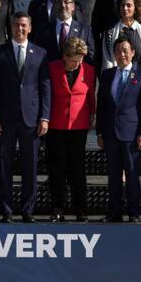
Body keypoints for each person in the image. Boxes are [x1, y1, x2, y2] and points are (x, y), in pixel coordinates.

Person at [0, 12, 49, 222]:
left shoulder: (40, 53)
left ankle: (28, 210)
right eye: (15, 25)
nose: (19, 29)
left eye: (23, 25)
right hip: (5, 119)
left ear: (30, 28)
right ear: (10, 28)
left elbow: (44, 87)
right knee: (4, 166)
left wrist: (45, 117)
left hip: (31, 119)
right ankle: (6, 209)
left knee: (30, 166)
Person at [96, 37, 141, 223]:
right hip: (110, 133)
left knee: (131, 173)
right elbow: (101, 106)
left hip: (132, 134)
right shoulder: (107, 75)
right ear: (114, 54)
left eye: (125, 50)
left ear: (133, 53)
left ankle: (134, 212)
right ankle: (114, 212)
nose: (122, 54)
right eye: (118, 50)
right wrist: (99, 132)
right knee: (113, 175)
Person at [43, 37, 96, 222]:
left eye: (79, 60)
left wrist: (93, 115)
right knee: (57, 169)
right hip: (56, 125)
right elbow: (46, 95)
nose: (76, 64)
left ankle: (81, 209)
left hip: (79, 126)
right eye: (73, 60)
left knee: (77, 170)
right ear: (65, 56)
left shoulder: (89, 71)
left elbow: (91, 97)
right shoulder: (52, 68)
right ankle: (57, 208)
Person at [32, 0, 95, 65]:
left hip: (77, 75)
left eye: (66, 2)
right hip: (50, 74)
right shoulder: (43, 30)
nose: (63, 5)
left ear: (73, 6)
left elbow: (91, 58)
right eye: (59, 2)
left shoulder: (85, 30)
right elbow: (38, 57)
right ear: (54, 6)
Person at [100, 0, 141, 71]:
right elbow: (107, 60)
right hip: (116, 79)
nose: (125, 8)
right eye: (122, 5)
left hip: (139, 78)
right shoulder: (109, 32)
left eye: (129, 5)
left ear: (135, 8)